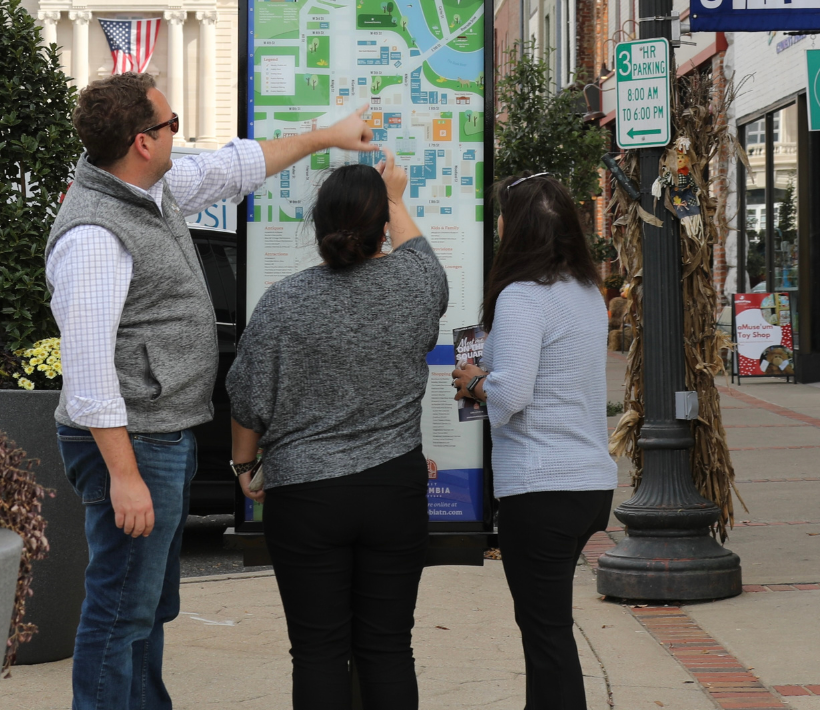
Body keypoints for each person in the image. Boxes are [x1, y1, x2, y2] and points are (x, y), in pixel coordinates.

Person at [48, 72, 377, 710]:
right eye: (171, 125)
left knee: (144, 609)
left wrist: (328, 137)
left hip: (158, 436)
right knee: (120, 612)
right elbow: (87, 372)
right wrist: (124, 475)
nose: (179, 134)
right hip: (132, 444)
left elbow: (234, 167)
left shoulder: (151, 188)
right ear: (143, 141)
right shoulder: (95, 234)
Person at [226, 156, 448, 710]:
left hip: (305, 495)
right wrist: (394, 197)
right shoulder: (415, 285)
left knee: (319, 651)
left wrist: (245, 467)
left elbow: (248, 399)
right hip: (393, 486)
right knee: (389, 646)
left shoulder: (282, 302)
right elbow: (420, 253)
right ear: (381, 228)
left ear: (318, 226)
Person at [449, 173, 616, 710]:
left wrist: (472, 380)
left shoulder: (523, 297)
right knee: (547, 631)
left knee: (546, 637)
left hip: (541, 487)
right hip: (588, 483)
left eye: (502, 217)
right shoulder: (589, 294)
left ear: (514, 228)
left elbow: (513, 393)